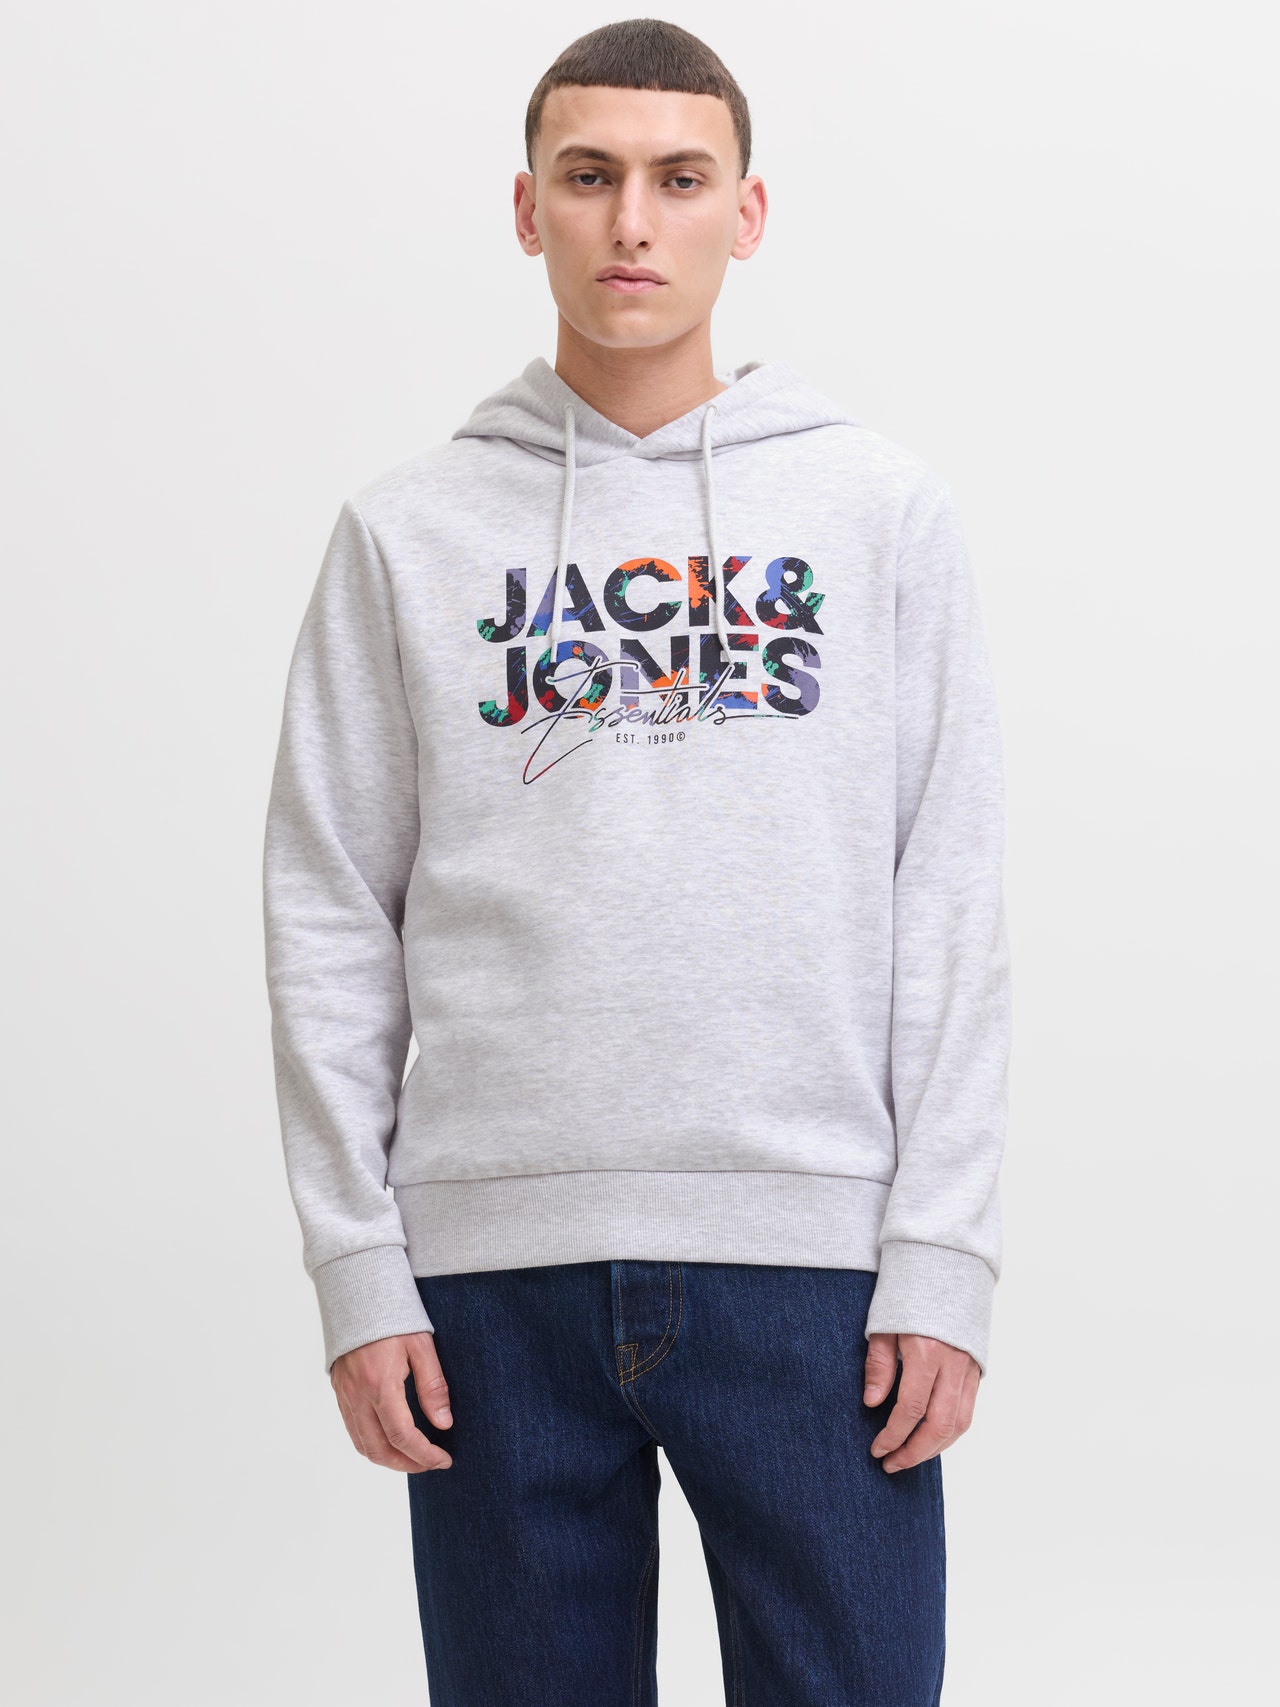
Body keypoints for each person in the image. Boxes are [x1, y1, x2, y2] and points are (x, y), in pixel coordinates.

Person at [262, 18, 1011, 1706]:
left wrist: (944, 1255)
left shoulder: (881, 514)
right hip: (489, 1279)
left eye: (680, 180)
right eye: (589, 176)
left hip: (815, 1268)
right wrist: (358, 1265)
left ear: (749, 212)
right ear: (526, 207)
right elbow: (329, 903)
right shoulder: (408, 532)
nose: (631, 223)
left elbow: (949, 896)